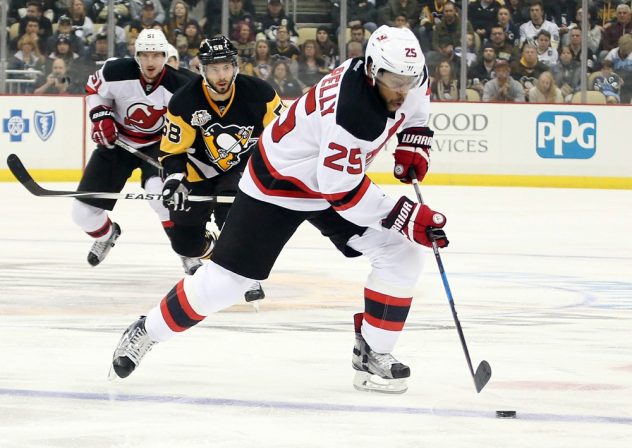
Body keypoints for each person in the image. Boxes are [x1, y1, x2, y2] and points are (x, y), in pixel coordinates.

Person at [109, 25, 449, 395]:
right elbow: (343, 192)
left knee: (401, 253)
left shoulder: (409, 78)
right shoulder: (350, 112)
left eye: (408, 80)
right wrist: (407, 215)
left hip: (330, 177)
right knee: (225, 283)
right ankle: (147, 329)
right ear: (370, 69)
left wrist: (415, 141)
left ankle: (374, 353)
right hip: (278, 182)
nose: (401, 89)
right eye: (392, 80)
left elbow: (416, 109)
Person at [157, 35, 282, 300]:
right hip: (198, 171)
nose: (221, 75)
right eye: (214, 69)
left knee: (235, 214)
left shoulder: (260, 94)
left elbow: (284, 135)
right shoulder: (184, 101)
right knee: (185, 243)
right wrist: (175, 180)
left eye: (226, 67)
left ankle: (245, 272)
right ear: (202, 70)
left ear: (235, 66)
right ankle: (217, 250)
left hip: (241, 168)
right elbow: (172, 151)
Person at [71, 29, 193, 270]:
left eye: (156, 55)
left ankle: (186, 249)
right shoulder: (115, 71)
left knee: (161, 198)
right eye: (145, 55)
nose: (150, 62)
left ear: (166, 56)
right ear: (136, 56)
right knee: (82, 213)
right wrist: (101, 116)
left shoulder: (181, 85)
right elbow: (93, 89)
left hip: (160, 145)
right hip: (117, 143)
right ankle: (106, 235)